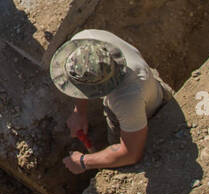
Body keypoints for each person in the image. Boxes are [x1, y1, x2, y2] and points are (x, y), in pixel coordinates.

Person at [49, 29, 173, 173]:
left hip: (151, 112)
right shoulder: (85, 41)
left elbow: (131, 153)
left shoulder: (126, 99)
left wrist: (83, 162)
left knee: (124, 161)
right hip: (147, 84)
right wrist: (79, 112)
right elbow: (79, 81)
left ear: (99, 88)